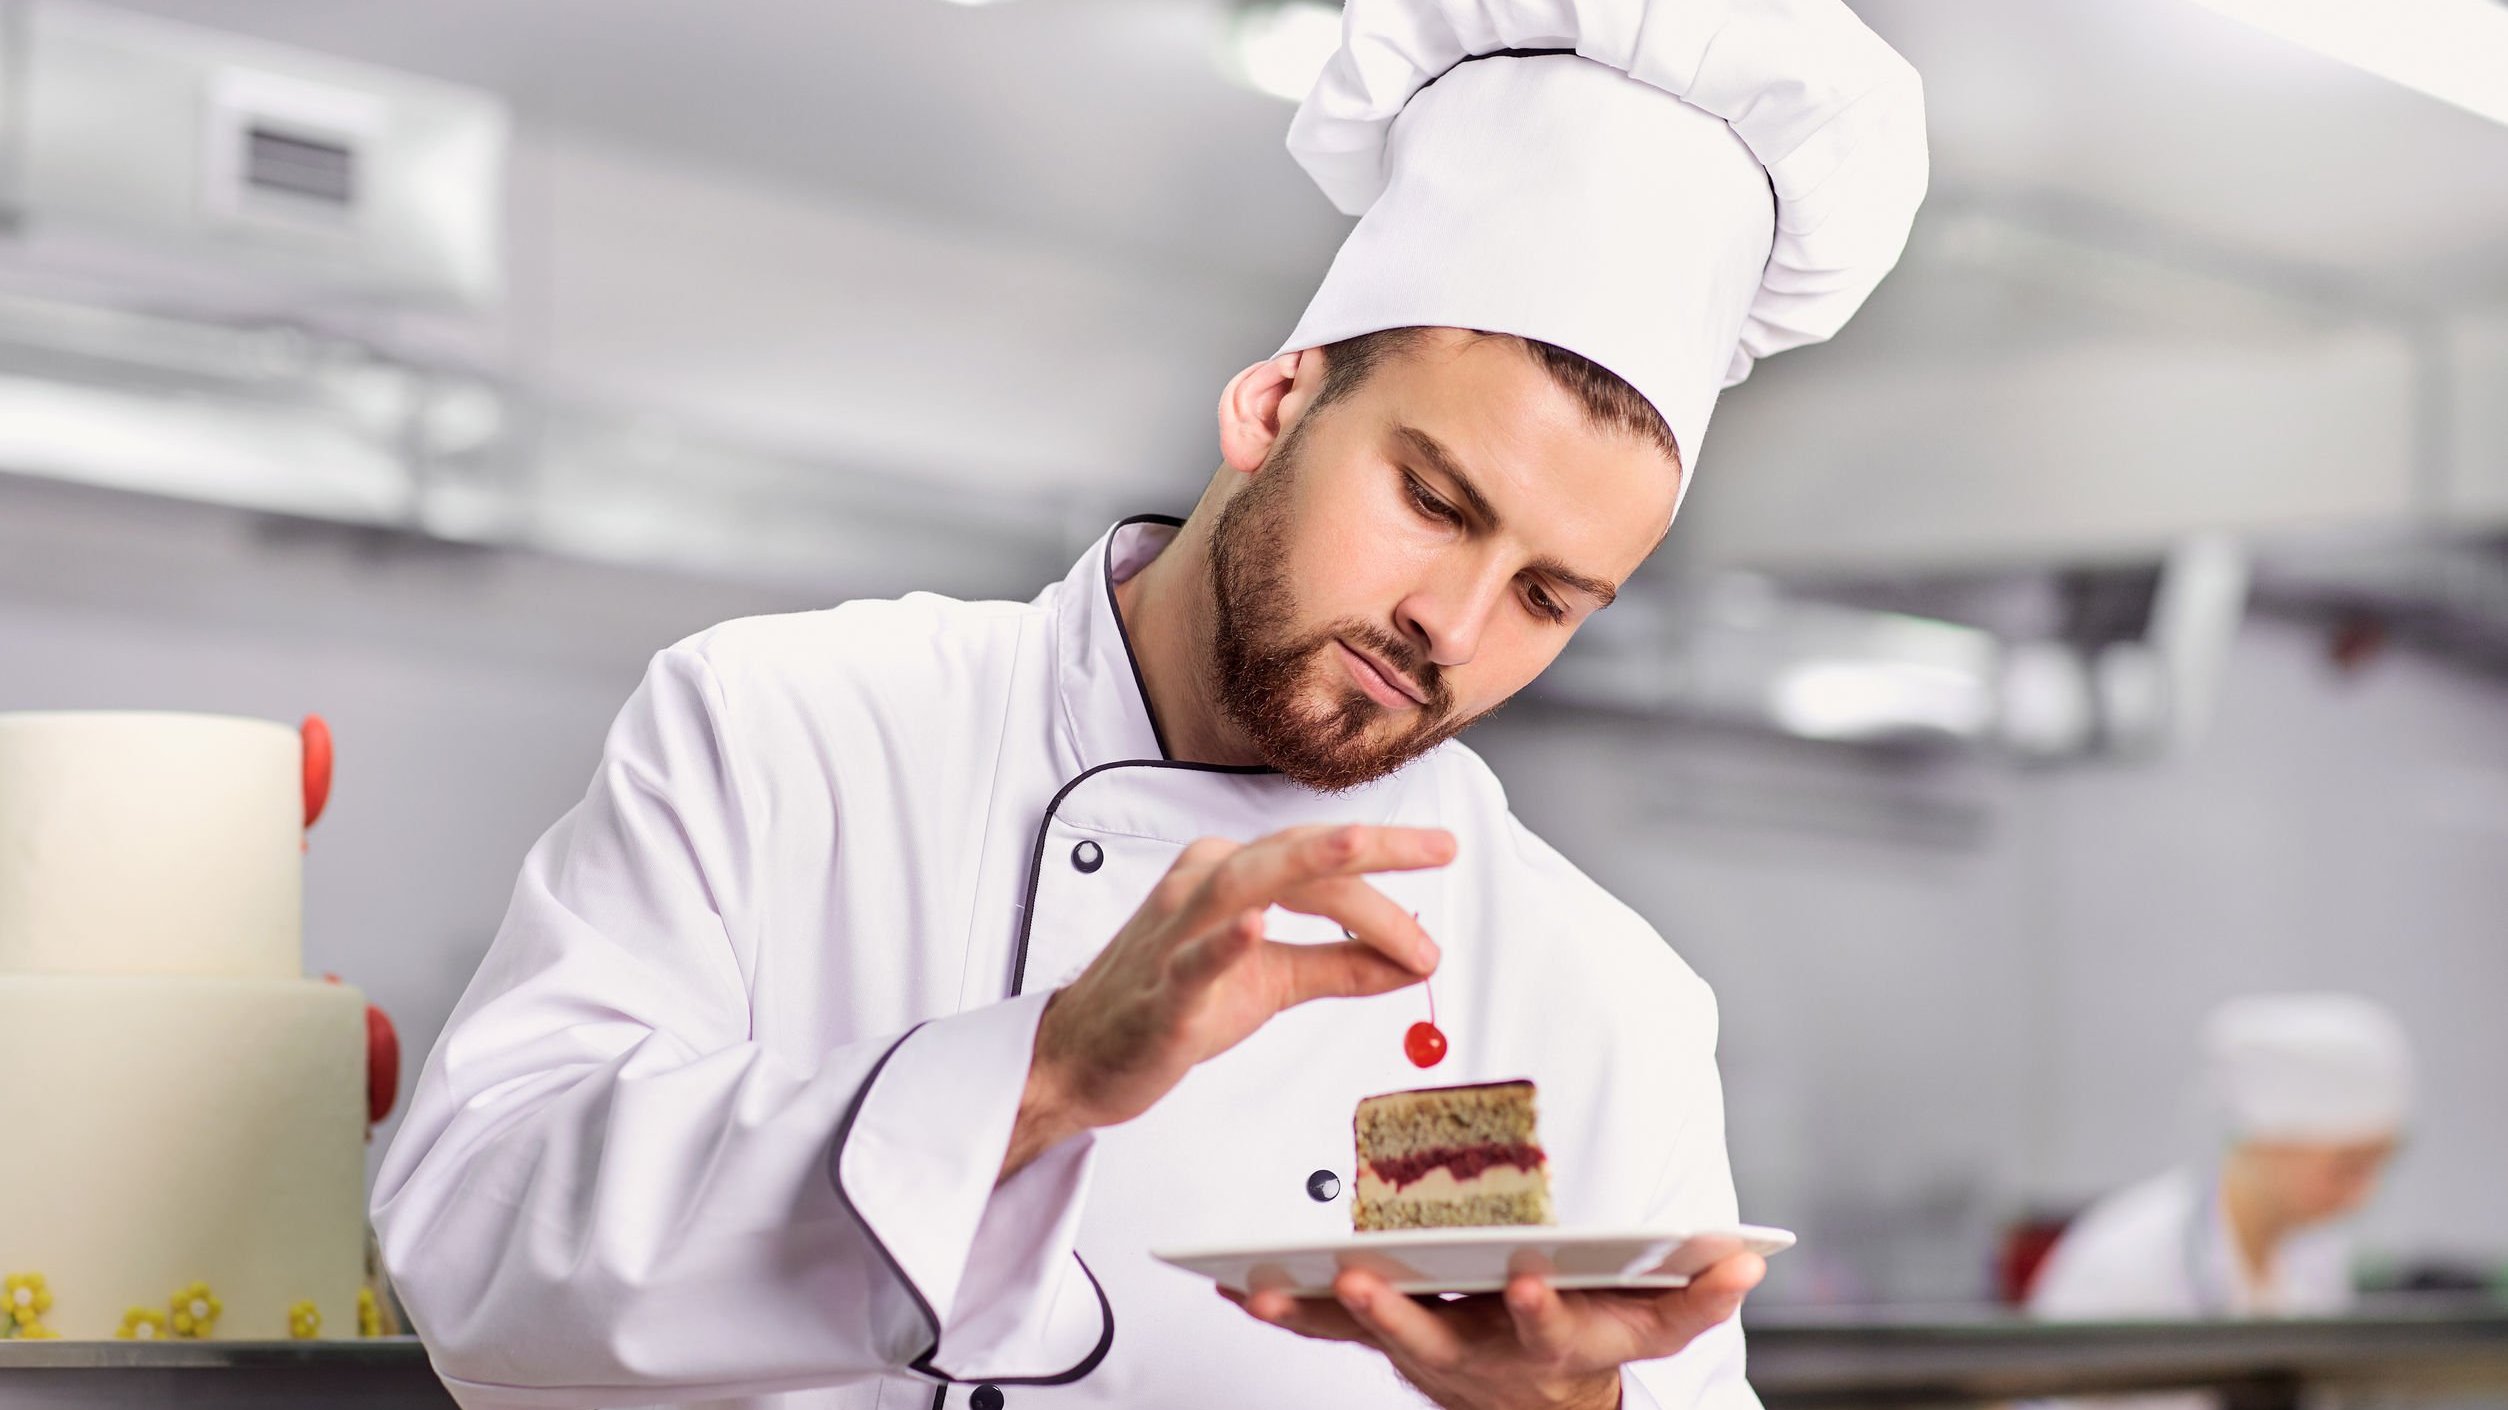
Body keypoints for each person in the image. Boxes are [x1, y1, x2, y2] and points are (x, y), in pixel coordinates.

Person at [368, 2, 1926, 1407]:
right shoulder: (790, 730)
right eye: (1437, 502)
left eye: (1546, 597)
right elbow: (466, 1244)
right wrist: (1038, 1071)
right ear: (1279, 397)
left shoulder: (1598, 993)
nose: (1448, 626)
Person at [2030, 993, 2412, 1323]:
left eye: (2381, 1165)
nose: (2365, 1192)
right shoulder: (2125, 1261)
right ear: (2268, 1143)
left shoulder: (2316, 1255)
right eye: (2348, 1167)